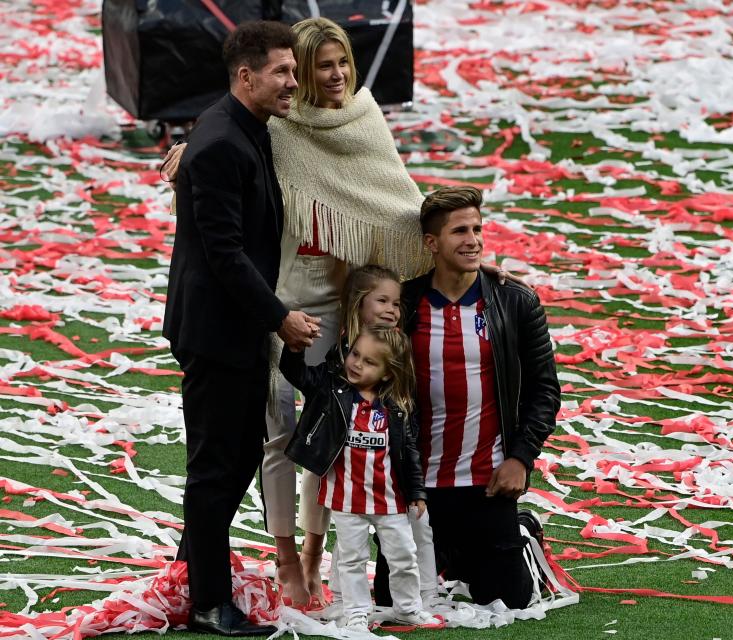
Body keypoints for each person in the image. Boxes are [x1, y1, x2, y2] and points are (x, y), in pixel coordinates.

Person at [160, 17, 510, 607]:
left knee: (335, 432)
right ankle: (285, 560)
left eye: (340, 62)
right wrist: (188, 151)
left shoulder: (364, 121)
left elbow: (400, 206)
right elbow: (225, 148)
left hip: (336, 303)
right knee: (275, 437)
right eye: (315, 65)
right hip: (273, 297)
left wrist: (465, 259)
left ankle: (316, 556)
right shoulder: (277, 124)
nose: (331, 75)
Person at [162, 21, 320, 636]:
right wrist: (280, 317)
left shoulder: (240, 127)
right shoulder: (224, 141)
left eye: (293, 69)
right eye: (282, 71)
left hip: (229, 328)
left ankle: (190, 572)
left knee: (228, 462)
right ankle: (207, 602)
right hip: (214, 331)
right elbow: (224, 253)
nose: (293, 82)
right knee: (218, 466)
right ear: (245, 76)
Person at [400, 186, 561, 609]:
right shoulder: (403, 304)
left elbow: (544, 389)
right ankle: (454, 555)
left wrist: (521, 458)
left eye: (477, 229)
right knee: (396, 600)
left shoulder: (516, 301)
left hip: (487, 481)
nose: (472, 240)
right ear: (431, 244)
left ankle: (519, 532)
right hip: (418, 485)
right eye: (459, 232)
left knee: (510, 599)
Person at [279, 325, 441, 632]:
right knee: (351, 560)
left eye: (369, 361)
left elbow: (409, 451)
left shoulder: (397, 405)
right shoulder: (331, 389)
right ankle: (355, 611)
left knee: (404, 556)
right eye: (355, 354)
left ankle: (408, 607)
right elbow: (296, 373)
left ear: (387, 373)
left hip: (391, 500)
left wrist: (417, 491)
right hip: (346, 500)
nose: (356, 363)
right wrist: (295, 348)